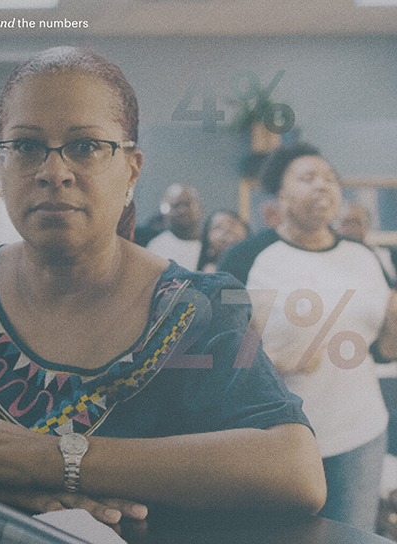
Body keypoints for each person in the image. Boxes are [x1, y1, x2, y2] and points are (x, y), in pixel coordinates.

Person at [0, 47, 326, 526]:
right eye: (26, 146)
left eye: (87, 146)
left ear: (132, 169)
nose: (53, 172)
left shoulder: (199, 307)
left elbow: (297, 472)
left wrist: (52, 458)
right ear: (0, 163)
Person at [220, 143, 397, 532]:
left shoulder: (364, 256)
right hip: (280, 442)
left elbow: (384, 352)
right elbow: (217, 350)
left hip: (360, 433)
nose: (323, 186)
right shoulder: (246, 259)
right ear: (281, 197)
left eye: (330, 178)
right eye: (308, 178)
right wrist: (275, 363)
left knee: (354, 536)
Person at [335, 201, 396, 287]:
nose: (352, 228)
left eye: (357, 222)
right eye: (347, 223)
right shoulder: (327, 257)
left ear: (367, 226)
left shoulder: (383, 255)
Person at [145, 184, 203, 270]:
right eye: (176, 205)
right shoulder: (157, 246)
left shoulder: (209, 247)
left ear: (199, 209)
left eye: (187, 204)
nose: (182, 211)